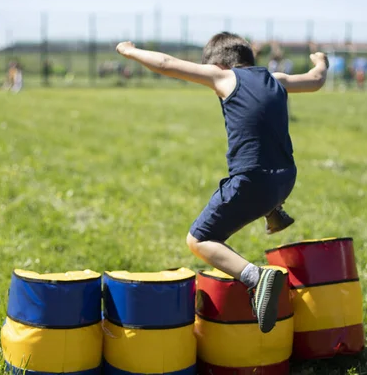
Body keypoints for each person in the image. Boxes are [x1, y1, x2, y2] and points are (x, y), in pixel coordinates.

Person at [115, 32, 328, 333]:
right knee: (264, 166)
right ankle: (273, 211)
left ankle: (255, 277)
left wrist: (129, 51)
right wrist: (320, 60)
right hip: (286, 177)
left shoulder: (223, 77)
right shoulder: (275, 78)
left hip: (253, 181)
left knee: (198, 239)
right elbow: (316, 79)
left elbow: (166, 62)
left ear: (219, 64)